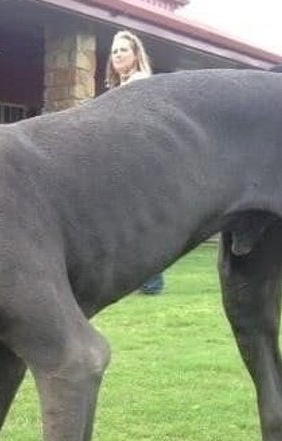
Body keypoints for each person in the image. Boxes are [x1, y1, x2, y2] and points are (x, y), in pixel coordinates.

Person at [106, 30, 164, 295]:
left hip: (138, 163)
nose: (118, 55)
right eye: (114, 51)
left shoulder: (140, 81)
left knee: (142, 224)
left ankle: (152, 282)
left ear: (135, 54)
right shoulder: (121, 85)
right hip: (123, 162)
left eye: (123, 50)